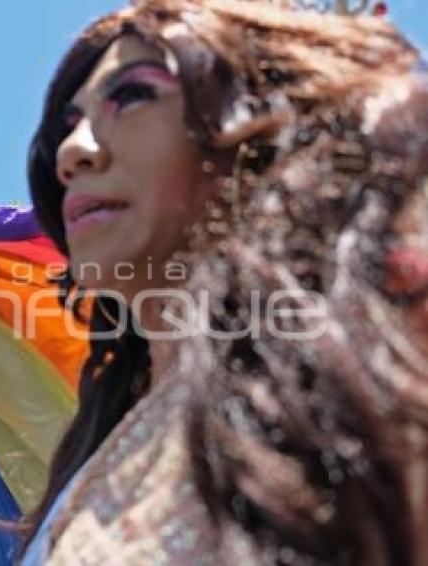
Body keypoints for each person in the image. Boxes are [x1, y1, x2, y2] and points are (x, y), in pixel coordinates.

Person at [22, 1, 428, 563]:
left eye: (132, 95)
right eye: (69, 126)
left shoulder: (375, 378)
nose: (73, 152)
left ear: (255, 134)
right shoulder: (94, 453)